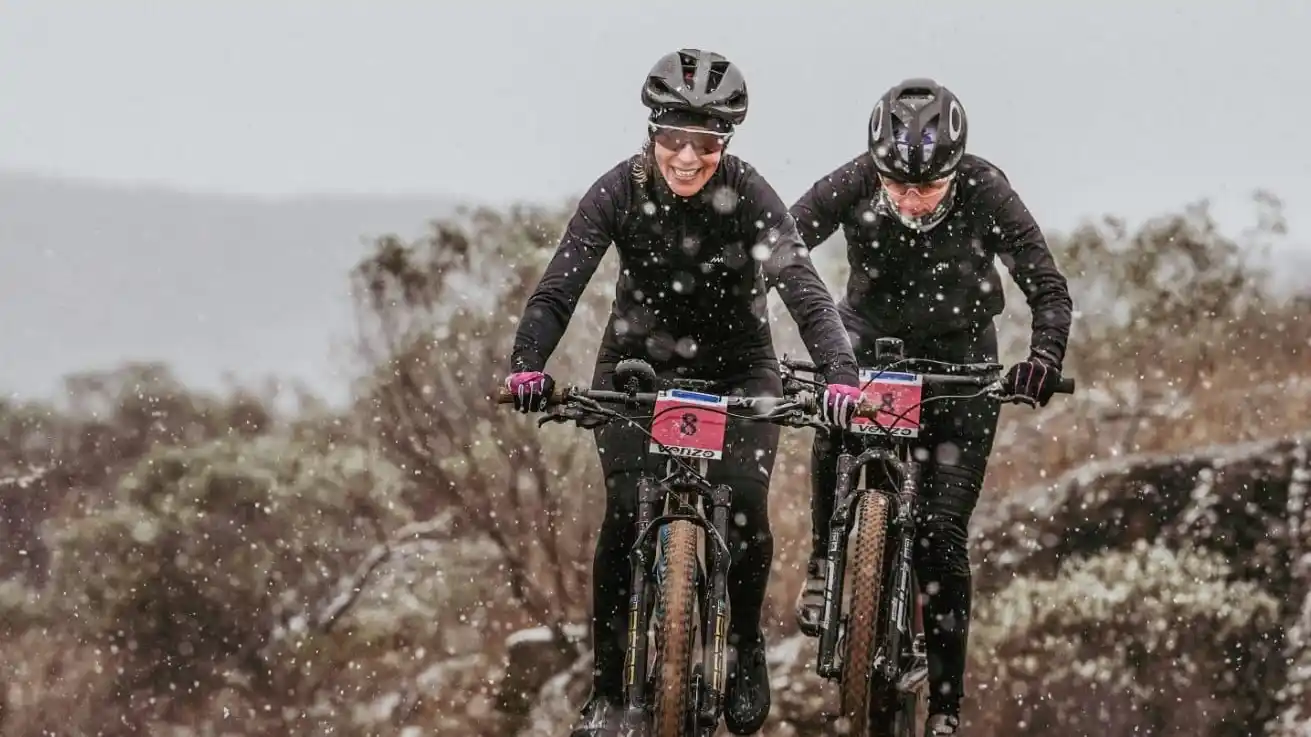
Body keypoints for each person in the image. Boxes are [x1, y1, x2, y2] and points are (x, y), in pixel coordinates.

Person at [502, 48, 865, 737]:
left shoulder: (751, 195)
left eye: (705, 143)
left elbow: (804, 290)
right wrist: (527, 363)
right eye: (673, 139)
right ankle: (609, 692)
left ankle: (745, 646)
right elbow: (559, 285)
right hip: (635, 370)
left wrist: (841, 378)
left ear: (723, 144)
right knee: (619, 520)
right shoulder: (618, 189)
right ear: (651, 134)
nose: (687, 157)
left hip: (740, 371)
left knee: (748, 513)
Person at [787, 78, 1074, 736]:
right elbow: (781, 242)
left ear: (954, 168)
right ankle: (822, 563)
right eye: (897, 186)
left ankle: (945, 706)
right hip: (867, 348)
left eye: (928, 187)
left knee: (941, 538)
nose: (911, 200)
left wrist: (1041, 361)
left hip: (960, 370)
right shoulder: (855, 180)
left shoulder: (985, 190)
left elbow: (1046, 285)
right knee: (835, 414)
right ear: (877, 167)